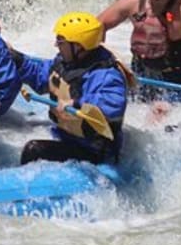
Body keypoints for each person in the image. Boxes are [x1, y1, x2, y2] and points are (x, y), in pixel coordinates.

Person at [11, 12, 129, 165]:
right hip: (68, 136)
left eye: (61, 41)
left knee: (33, 150)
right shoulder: (65, 63)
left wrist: (76, 102)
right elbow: (40, 75)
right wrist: (17, 60)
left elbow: (113, 103)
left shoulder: (106, 74)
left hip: (93, 149)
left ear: (78, 46)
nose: (56, 45)